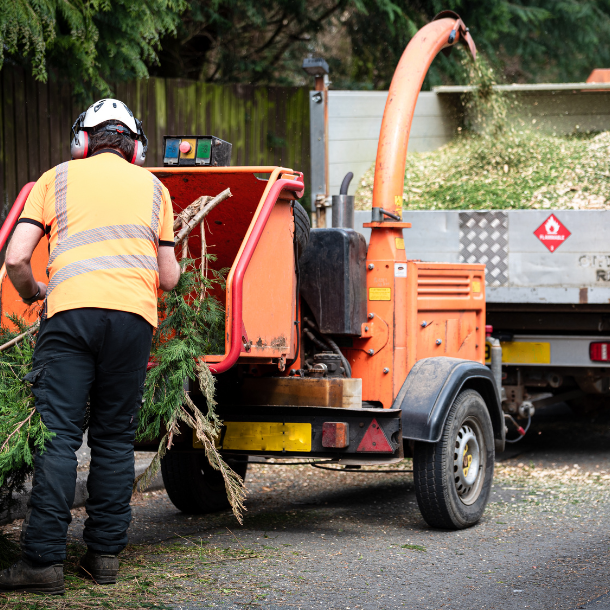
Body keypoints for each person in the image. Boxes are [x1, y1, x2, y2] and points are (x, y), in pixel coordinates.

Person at [0, 99, 180, 595]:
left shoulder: (54, 179)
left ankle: (41, 564)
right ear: (135, 147)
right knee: (114, 440)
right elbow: (168, 278)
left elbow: (17, 258)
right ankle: (103, 559)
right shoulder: (155, 189)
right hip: (132, 323)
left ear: (83, 141)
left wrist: (34, 292)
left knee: (58, 437)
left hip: (69, 317)